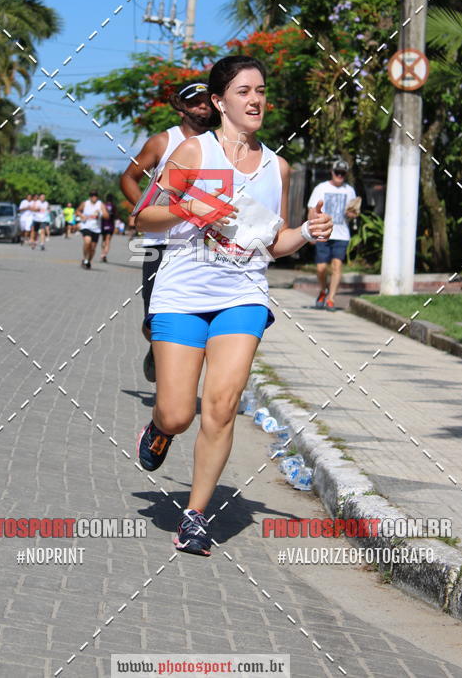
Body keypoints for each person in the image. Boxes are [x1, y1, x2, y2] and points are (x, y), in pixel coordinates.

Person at [134, 55, 333, 556]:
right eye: (243, 91)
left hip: (242, 295)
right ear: (220, 102)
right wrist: (189, 204)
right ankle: (160, 429)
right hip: (182, 292)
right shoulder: (192, 152)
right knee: (179, 413)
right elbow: (145, 217)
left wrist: (307, 233)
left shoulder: (276, 166)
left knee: (221, 408)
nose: (255, 99)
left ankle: (196, 517)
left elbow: (274, 241)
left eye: (261, 90)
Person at [120, 80, 213, 383]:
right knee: (153, 318)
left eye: (206, 102)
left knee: (195, 312)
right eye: (196, 102)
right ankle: (155, 346)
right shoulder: (163, 141)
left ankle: (176, 375)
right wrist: (144, 211)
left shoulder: (220, 143)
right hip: (160, 243)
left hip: (202, 245)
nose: (203, 107)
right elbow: (129, 178)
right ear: (182, 107)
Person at [307, 160, 358, 312]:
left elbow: (353, 212)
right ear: (332, 172)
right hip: (323, 232)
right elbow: (311, 210)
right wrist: (310, 232)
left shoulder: (349, 190)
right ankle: (323, 290)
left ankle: (331, 298)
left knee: (337, 266)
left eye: (343, 173)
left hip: (341, 234)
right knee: (321, 268)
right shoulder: (321, 188)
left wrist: (352, 214)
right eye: (337, 172)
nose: (340, 176)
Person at [76, 190, 108, 269]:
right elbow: (77, 211)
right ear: (90, 196)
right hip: (86, 226)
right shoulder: (85, 203)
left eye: (95, 195)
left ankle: (88, 261)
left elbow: (107, 216)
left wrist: (100, 213)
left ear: (97, 196)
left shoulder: (100, 204)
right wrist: (81, 215)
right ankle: (84, 258)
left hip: (96, 229)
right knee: (87, 241)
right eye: (92, 195)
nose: (94, 197)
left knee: (93, 248)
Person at [99, 193, 117, 262]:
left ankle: (102, 253)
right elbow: (115, 216)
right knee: (108, 241)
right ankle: (104, 255)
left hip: (103, 225)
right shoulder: (113, 206)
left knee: (103, 240)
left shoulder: (103, 205)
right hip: (110, 225)